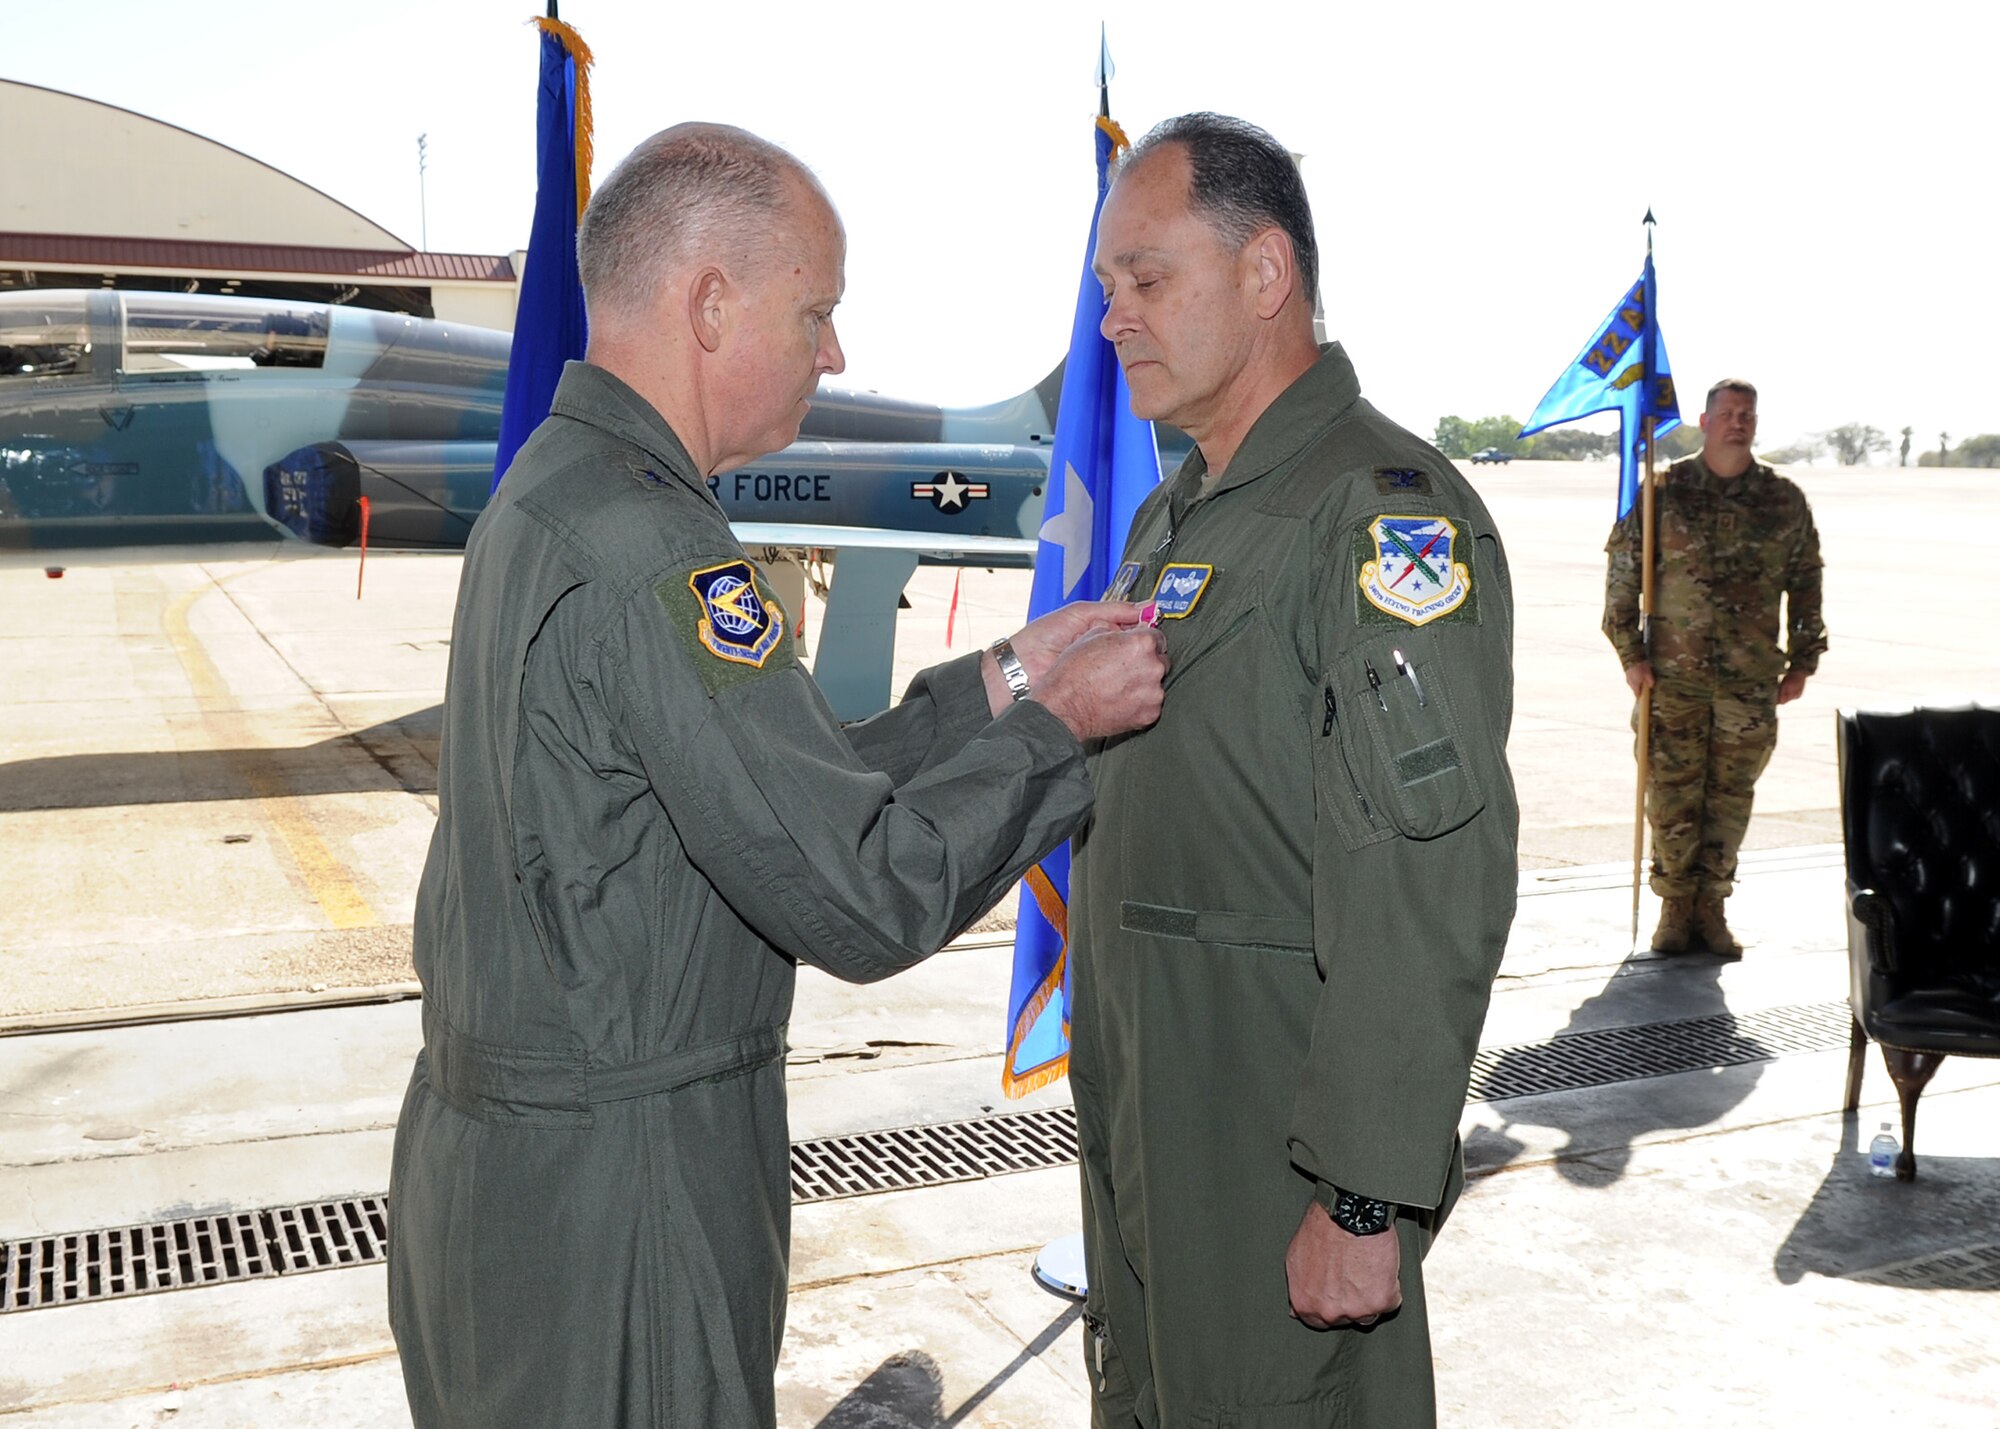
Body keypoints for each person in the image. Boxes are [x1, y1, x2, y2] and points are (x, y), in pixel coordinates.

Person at [386, 123, 1169, 1429]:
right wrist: (1063, 737)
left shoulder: (562, 487)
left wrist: (1004, 681)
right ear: (709, 305)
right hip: (618, 1204)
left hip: (512, 1179)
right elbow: (855, 891)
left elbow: (752, 800)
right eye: (817, 311)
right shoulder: (653, 547)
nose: (836, 351)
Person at [1071, 113, 1519, 1428]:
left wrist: (1360, 1193)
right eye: (1108, 289)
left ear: (1265, 274)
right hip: (1156, 1114)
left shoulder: (1381, 519)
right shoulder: (1176, 519)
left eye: (1146, 279)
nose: (1115, 320)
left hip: (1277, 1140)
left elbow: (1423, 875)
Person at [1604, 378, 1826, 958]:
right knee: (1671, 796)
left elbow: (1806, 581)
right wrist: (1631, 655)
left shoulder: (1783, 499)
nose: (1738, 422)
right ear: (1704, 422)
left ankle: (1713, 907)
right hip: (1672, 679)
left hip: (1749, 682)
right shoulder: (1662, 490)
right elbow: (1624, 577)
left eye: (1746, 414)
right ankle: (1674, 909)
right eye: (1726, 413)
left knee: (1731, 797)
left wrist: (1804, 659)